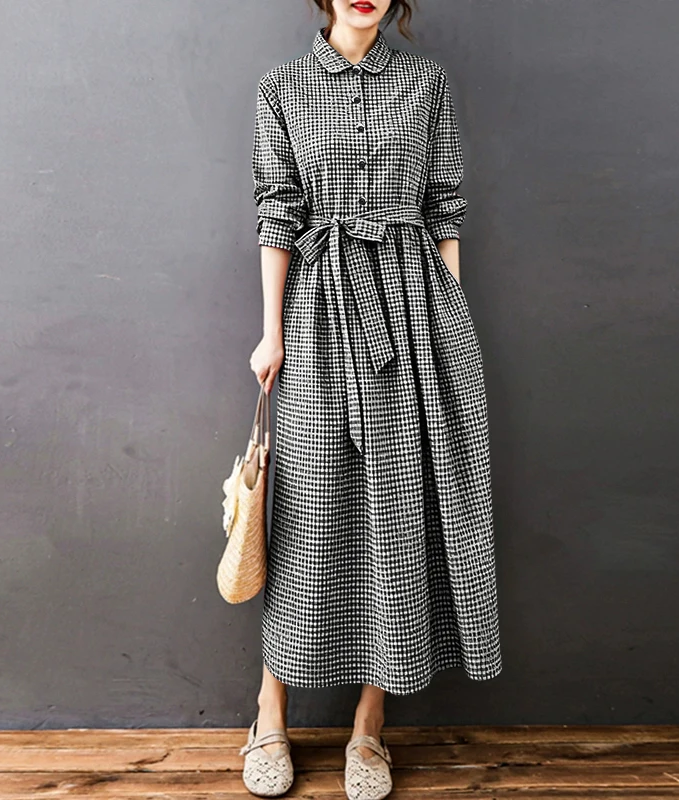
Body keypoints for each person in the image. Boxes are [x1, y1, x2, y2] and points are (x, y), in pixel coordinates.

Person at [240, 1, 501, 797]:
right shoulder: (281, 86)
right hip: (320, 310)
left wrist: (447, 323)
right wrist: (271, 333)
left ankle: (369, 723)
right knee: (309, 507)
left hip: (416, 311)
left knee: (399, 507)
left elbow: (445, 206)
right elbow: (277, 212)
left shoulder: (428, 84)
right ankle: (269, 710)